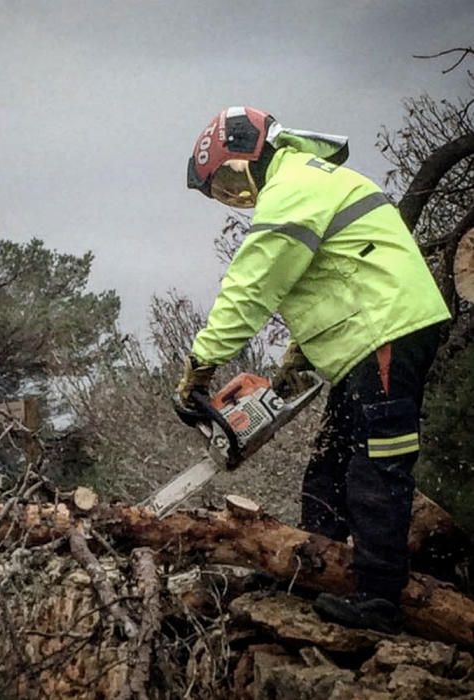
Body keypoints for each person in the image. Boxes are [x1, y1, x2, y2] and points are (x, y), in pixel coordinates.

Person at [175, 106, 451, 633]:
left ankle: (379, 602)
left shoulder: (294, 186)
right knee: (328, 466)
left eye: (232, 181)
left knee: (376, 468)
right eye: (224, 191)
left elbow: (252, 285)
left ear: (255, 155)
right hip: (367, 335)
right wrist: (293, 365)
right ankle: (313, 571)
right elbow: (336, 277)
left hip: (386, 332)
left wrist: (199, 369)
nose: (237, 197)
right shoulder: (310, 182)